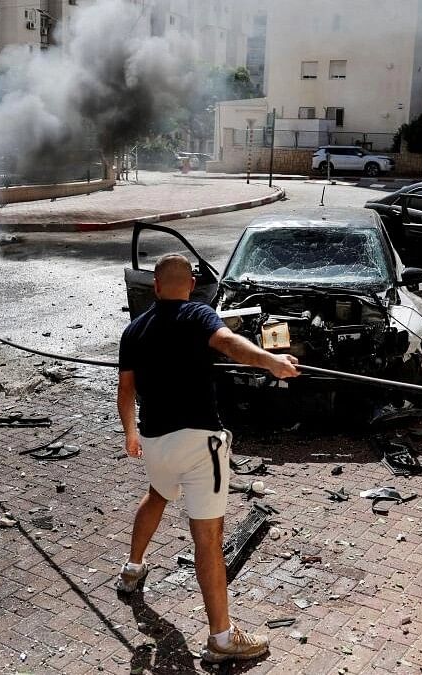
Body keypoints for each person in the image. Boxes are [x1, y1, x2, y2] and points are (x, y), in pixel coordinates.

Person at [115, 254, 300, 664]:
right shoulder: (198, 312)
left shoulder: (134, 329)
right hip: (201, 444)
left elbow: (125, 390)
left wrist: (130, 432)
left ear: (157, 287)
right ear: (192, 284)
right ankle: (221, 638)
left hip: (155, 441)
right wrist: (271, 361)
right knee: (209, 540)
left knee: (158, 495)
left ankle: (132, 567)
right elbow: (229, 343)